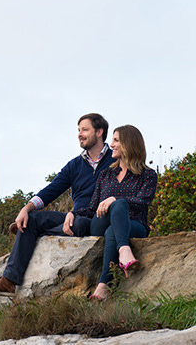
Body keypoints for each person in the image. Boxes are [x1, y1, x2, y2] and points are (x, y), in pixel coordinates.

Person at [0, 113, 114, 297]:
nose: (79, 134)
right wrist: (26, 208)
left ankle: (31, 237)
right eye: (79, 130)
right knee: (30, 220)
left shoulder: (116, 159)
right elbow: (51, 190)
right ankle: (9, 282)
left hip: (96, 218)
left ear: (99, 132)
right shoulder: (75, 165)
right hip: (72, 217)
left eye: (85, 129)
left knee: (79, 224)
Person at [63, 124, 156, 301]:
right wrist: (73, 213)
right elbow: (92, 208)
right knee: (116, 209)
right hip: (101, 222)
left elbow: (144, 201)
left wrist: (115, 200)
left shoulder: (148, 175)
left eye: (116, 140)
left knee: (114, 226)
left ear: (129, 144)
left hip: (134, 225)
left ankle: (103, 286)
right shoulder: (105, 175)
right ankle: (124, 251)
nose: (111, 145)